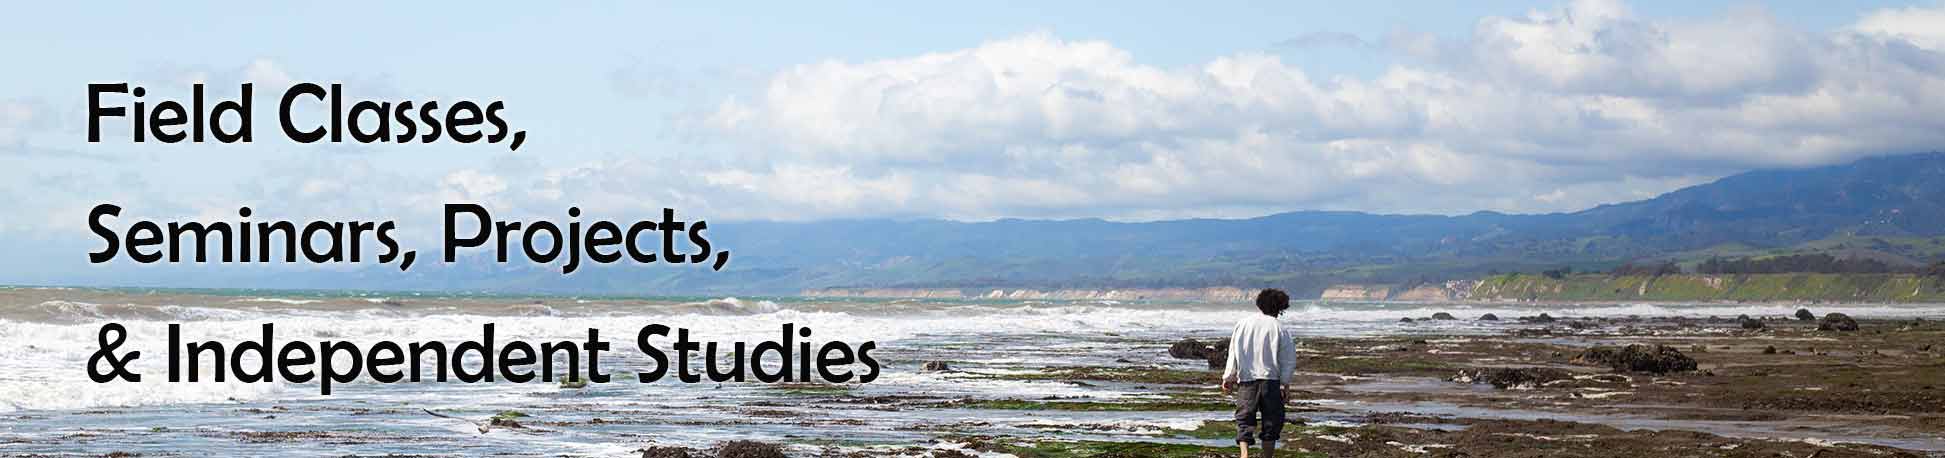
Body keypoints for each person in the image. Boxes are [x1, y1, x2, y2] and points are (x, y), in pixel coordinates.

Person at [1221, 288, 1297, 458]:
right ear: (1279, 308)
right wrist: (1285, 383)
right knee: (1271, 421)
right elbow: (1288, 359)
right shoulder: (1280, 328)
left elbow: (1234, 352)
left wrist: (1228, 377)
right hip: (1271, 381)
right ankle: (1267, 456)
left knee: (1244, 418)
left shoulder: (1243, 324)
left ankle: (1244, 455)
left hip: (1247, 379)